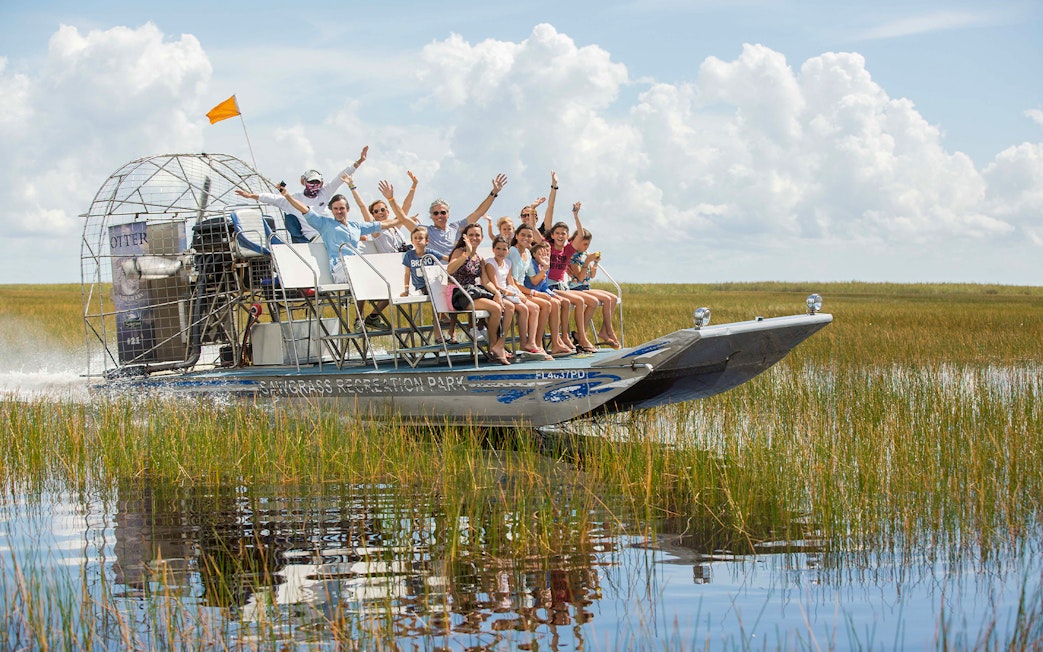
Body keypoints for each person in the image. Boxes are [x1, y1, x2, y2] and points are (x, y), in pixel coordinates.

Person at [277, 181, 409, 329]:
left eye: (342, 208)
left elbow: (382, 224)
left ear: (347, 209)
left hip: (357, 268)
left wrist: (403, 218)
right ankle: (360, 319)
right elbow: (304, 209)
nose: (339, 211)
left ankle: (371, 317)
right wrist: (287, 195)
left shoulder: (355, 226)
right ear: (331, 210)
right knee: (362, 272)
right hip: (340, 267)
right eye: (336, 209)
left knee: (386, 279)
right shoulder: (324, 223)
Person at [236, 146, 369, 241]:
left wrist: (359, 161)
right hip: (315, 238)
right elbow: (271, 198)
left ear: (322, 183)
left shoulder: (325, 192)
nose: (314, 186)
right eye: (311, 182)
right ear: (304, 182)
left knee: (362, 237)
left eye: (317, 182)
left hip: (332, 231)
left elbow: (340, 177)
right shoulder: (295, 199)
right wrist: (251, 195)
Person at [447, 224, 512, 364]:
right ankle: (494, 347)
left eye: (477, 235)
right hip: (459, 293)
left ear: (482, 238)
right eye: (471, 235)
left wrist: (497, 293)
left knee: (502, 305)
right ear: (465, 237)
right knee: (495, 308)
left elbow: (486, 281)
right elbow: (450, 270)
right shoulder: (460, 251)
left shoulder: (479, 258)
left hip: (472, 292)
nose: (474, 238)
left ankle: (495, 347)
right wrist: (466, 254)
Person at [544, 201, 598, 353]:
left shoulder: (567, 250)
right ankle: (566, 337)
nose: (561, 236)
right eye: (558, 233)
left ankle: (580, 336)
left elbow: (580, 235)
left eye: (564, 233)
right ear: (553, 235)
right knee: (574, 301)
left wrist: (575, 215)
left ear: (567, 237)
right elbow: (545, 225)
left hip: (562, 286)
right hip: (549, 285)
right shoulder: (548, 246)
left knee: (581, 301)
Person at [486, 235, 550, 360]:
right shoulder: (490, 262)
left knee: (527, 308)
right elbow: (495, 284)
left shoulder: (508, 263)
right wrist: (511, 293)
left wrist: (517, 293)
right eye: (498, 249)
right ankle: (501, 342)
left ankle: (525, 343)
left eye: (504, 249)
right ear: (493, 249)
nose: (501, 252)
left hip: (509, 292)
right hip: (498, 293)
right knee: (513, 307)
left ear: (508, 251)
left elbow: (510, 282)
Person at [425, 174, 508, 261]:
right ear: (431, 216)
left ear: (448, 214)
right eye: (435, 213)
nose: (439, 215)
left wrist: (494, 193)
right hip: (437, 271)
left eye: (443, 212)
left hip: (457, 271)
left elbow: (479, 212)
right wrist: (413, 187)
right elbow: (408, 219)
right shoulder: (425, 231)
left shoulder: (457, 227)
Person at [566, 219, 620, 348]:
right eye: (584, 244)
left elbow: (592, 276)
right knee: (606, 299)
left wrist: (594, 263)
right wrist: (587, 262)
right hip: (577, 289)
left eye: (588, 244)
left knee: (612, 297)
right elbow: (579, 278)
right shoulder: (573, 257)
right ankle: (608, 331)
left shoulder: (585, 254)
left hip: (586, 287)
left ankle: (603, 331)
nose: (587, 247)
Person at [522, 239, 576, 356]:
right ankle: (538, 342)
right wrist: (545, 267)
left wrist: (553, 295)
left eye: (547, 253)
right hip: (529, 292)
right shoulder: (533, 265)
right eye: (541, 253)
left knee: (559, 302)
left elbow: (545, 286)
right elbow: (534, 283)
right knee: (551, 304)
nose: (544, 255)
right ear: (534, 254)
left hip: (539, 292)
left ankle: (557, 341)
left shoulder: (545, 264)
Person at [348, 170, 418, 254]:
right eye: (376, 211)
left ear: (388, 212)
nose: (379, 213)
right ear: (372, 215)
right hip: (388, 262)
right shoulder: (375, 229)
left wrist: (414, 186)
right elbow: (362, 206)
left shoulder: (395, 225)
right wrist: (352, 186)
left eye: (382, 210)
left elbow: (406, 206)